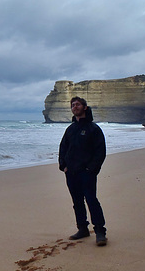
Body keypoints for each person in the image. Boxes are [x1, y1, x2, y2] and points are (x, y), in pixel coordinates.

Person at [58, 96, 108, 246]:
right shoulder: (70, 129)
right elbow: (62, 149)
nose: (75, 107)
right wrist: (63, 166)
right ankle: (82, 229)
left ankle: (100, 232)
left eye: (77, 104)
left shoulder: (93, 129)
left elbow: (100, 151)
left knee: (92, 200)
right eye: (72, 105)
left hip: (87, 173)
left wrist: (91, 169)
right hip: (71, 173)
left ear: (84, 107)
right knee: (77, 202)